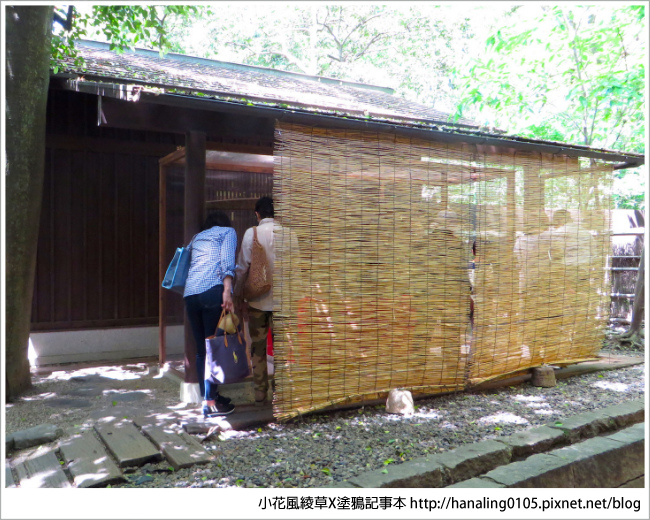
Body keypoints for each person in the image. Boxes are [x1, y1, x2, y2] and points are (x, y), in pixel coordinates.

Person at [184, 210, 236, 417]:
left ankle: (209, 396)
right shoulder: (227, 232)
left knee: (201, 351)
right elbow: (227, 263)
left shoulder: (197, 237)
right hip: (212, 291)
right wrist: (227, 292)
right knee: (213, 347)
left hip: (190, 294)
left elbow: (188, 262)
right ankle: (210, 403)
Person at [234, 197, 278, 406]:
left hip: (258, 301)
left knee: (258, 348)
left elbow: (242, 267)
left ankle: (260, 394)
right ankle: (282, 393)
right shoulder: (291, 235)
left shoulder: (252, 233)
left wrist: (237, 295)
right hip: (284, 303)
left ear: (257, 214)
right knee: (283, 349)